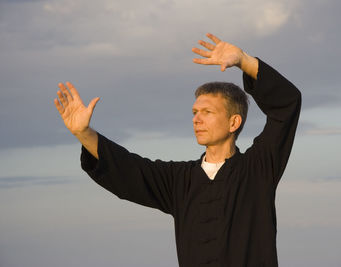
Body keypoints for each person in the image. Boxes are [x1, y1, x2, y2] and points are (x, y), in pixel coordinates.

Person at [54, 33, 301, 267]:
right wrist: (83, 133)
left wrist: (244, 61)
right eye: (195, 112)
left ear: (233, 122)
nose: (196, 119)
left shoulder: (258, 169)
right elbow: (128, 170)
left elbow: (287, 104)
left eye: (207, 112)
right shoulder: (178, 181)